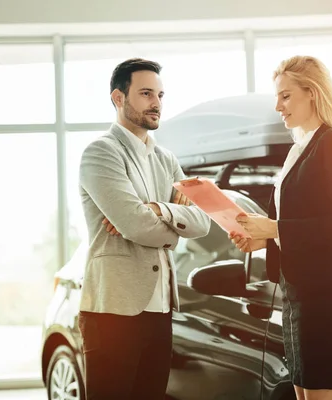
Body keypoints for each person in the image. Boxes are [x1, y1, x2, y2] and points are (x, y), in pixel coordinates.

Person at [229, 55, 332, 400]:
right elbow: (301, 221)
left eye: (285, 96)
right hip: (296, 294)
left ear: (313, 93)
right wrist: (262, 240)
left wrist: (273, 228)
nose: (278, 106)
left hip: (324, 296)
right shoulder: (300, 147)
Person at [77, 57, 211, 400]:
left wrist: (157, 210)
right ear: (118, 98)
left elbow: (204, 221)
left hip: (161, 310)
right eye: (146, 93)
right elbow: (137, 226)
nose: (157, 103)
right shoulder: (100, 153)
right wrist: (169, 220)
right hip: (113, 311)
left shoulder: (166, 159)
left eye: (161, 95)